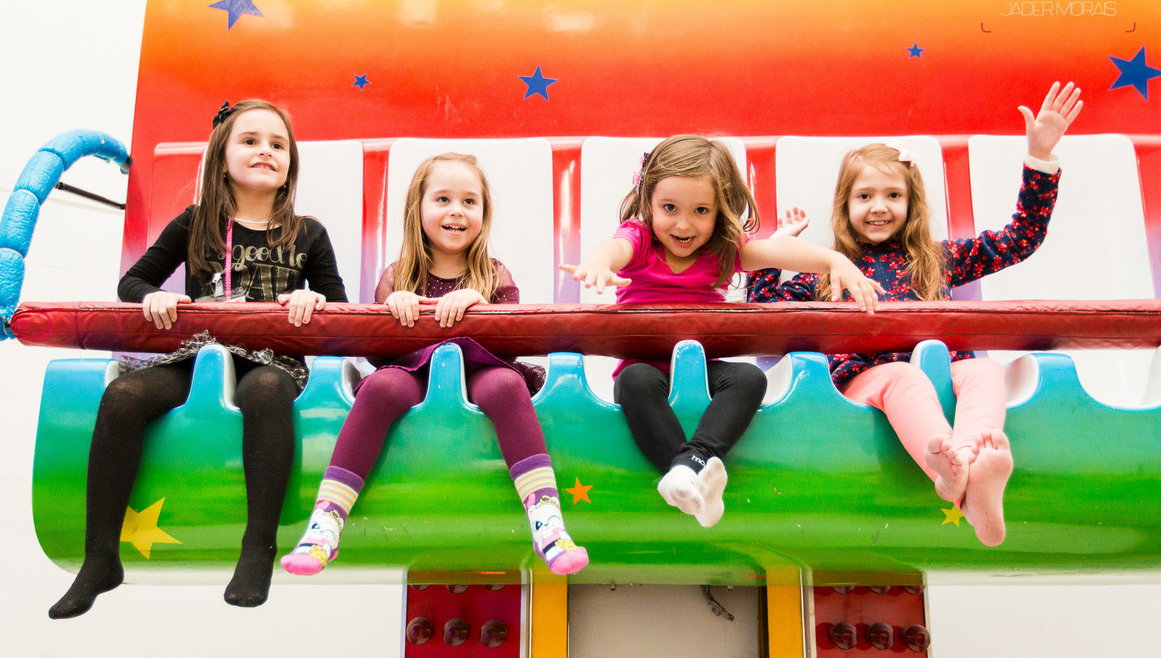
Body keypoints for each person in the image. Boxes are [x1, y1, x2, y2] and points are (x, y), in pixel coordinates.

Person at [748, 82, 1084, 546]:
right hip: (868, 380)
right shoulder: (828, 271)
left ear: (911, 204)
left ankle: (970, 466)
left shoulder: (939, 259)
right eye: (864, 196)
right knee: (903, 378)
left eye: (893, 195)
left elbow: (1019, 239)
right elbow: (762, 311)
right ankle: (955, 477)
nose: (879, 207)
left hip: (943, 371)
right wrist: (775, 250)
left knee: (985, 370)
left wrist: (1040, 158)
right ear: (845, 206)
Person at [49, 100, 347, 619]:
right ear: (221, 157)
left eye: (278, 145)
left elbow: (340, 308)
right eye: (250, 141)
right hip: (201, 355)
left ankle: (258, 548)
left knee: (264, 390)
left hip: (272, 360)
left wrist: (314, 299)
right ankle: (100, 558)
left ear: (290, 166)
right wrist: (154, 296)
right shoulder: (195, 223)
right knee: (123, 395)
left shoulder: (308, 233)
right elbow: (132, 281)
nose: (265, 151)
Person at [282, 152, 588, 576]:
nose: (456, 210)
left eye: (469, 201)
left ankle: (547, 520)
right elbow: (379, 354)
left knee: (506, 385)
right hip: (413, 371)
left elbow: (510, 347)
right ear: (418, 208)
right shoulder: (398, 275)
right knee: (380, 388)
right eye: (443, 199)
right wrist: (394, 307)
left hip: (480, 369)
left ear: (483, 213)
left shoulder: (494, 274)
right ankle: (326, 523)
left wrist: (480, 305)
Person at [561, 135, 882, 527]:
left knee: (749, 377)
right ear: (648, 203)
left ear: (719, 211)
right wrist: (599, 263)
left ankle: (689, 465)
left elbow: (777, 251)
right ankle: (690, 476)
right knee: (635, 380)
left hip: (702, 369)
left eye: (701, 210)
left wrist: (835, 262)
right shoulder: (641, 240)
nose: (683, 224)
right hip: (645, 369)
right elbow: (616, 249)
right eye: (669, 208)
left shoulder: (721, 250)